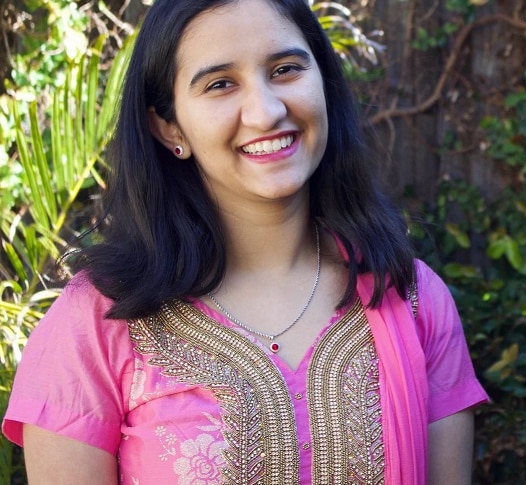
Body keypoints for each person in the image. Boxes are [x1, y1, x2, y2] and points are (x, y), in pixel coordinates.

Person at [2, 0, 489, 483]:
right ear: (169, 126)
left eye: (285, 69)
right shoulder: (96, 323)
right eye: (220, 84)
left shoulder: (412, 298)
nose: (266, 111)